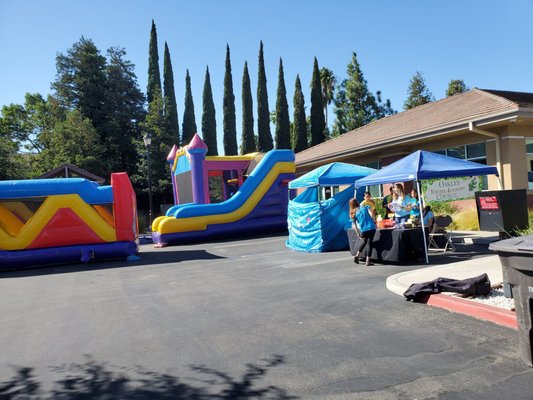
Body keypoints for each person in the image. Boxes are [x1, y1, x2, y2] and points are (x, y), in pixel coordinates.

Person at [349, 198, 376, 266]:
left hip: (363, 230)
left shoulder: (353, 213)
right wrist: (374, 221)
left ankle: (357, 255)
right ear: (357, 202)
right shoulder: (365, 207)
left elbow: (354, 225)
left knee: (364, 242)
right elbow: (372, 214)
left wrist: (358, 234)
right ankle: (368, 261)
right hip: (371, 227)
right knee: (369, 244)